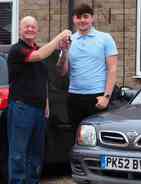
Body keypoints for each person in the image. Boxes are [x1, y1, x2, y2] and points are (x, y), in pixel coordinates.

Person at [7, 16, 71, 184]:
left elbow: (58, 72)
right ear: (20, 30)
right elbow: (38, 55)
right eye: (26, 26)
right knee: (19, 153)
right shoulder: (17, 50)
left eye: (33, 27)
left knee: (36, 154)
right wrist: (59, 36)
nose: (30, 29)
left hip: (39, 111)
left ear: (37, 30)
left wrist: (64, 50)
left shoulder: (39, 53)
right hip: (22, 108)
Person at [56, 3, 118, 133]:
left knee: (98, 138)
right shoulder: (69, 40)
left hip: (97, 97)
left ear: (92, 18)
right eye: (78, 17)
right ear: (74, 19)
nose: (82, 20)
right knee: (76, 138)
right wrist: (65, 52)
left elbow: (112, 69)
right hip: (74, 97)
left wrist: (106, 96)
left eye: (86, 16)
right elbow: (62, 72)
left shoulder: (105, 38)